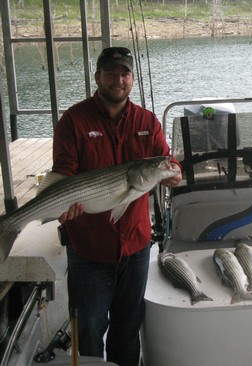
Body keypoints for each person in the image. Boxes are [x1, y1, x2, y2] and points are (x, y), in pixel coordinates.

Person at [52, 46, 182, 366]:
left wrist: (172, 174)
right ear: (98, 77)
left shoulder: (146, 120)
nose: (118, 80)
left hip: (136, 247)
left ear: (132, 80)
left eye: (124, 74)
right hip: (89, 250)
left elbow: (166, 159)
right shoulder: (74, 120)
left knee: (127, 328)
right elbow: (64, 171)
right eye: (110, 73)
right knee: (91, 331)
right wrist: (63, 206)